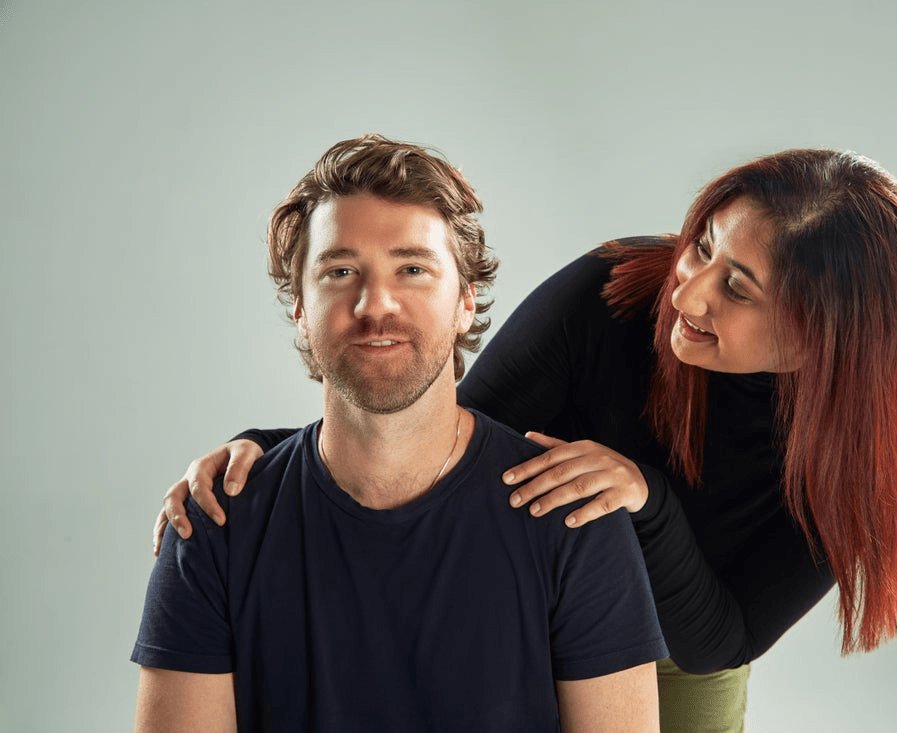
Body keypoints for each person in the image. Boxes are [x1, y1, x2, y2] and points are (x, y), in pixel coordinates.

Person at [158, 147, 897, 733]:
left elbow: (720, 640)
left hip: (683, 650)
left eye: (737, 287)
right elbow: (437, 426)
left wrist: (645, 498)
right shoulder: (611, 294)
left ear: (826, 334)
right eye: (703, 245)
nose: (687, 290)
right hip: (524, 591)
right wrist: (270, 458)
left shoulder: (858, 469)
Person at [132, 134, 668, 733]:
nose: (375, 303)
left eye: (412, 268)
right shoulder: (213, 524)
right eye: (339, 271)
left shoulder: (571, 522)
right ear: (300, 308)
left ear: (466, 300)